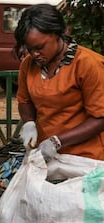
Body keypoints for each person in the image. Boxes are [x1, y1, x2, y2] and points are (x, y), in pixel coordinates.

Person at [15, 4, 104, 161]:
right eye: (30, 49)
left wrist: (58, 141)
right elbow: (25, 101)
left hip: (85, 157)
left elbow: (100, 118)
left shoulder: (88, 64)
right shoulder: (28, 65)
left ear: (58, 34)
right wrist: (29, 123)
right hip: (45, 154)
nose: (35, 54)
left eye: (40, 47)